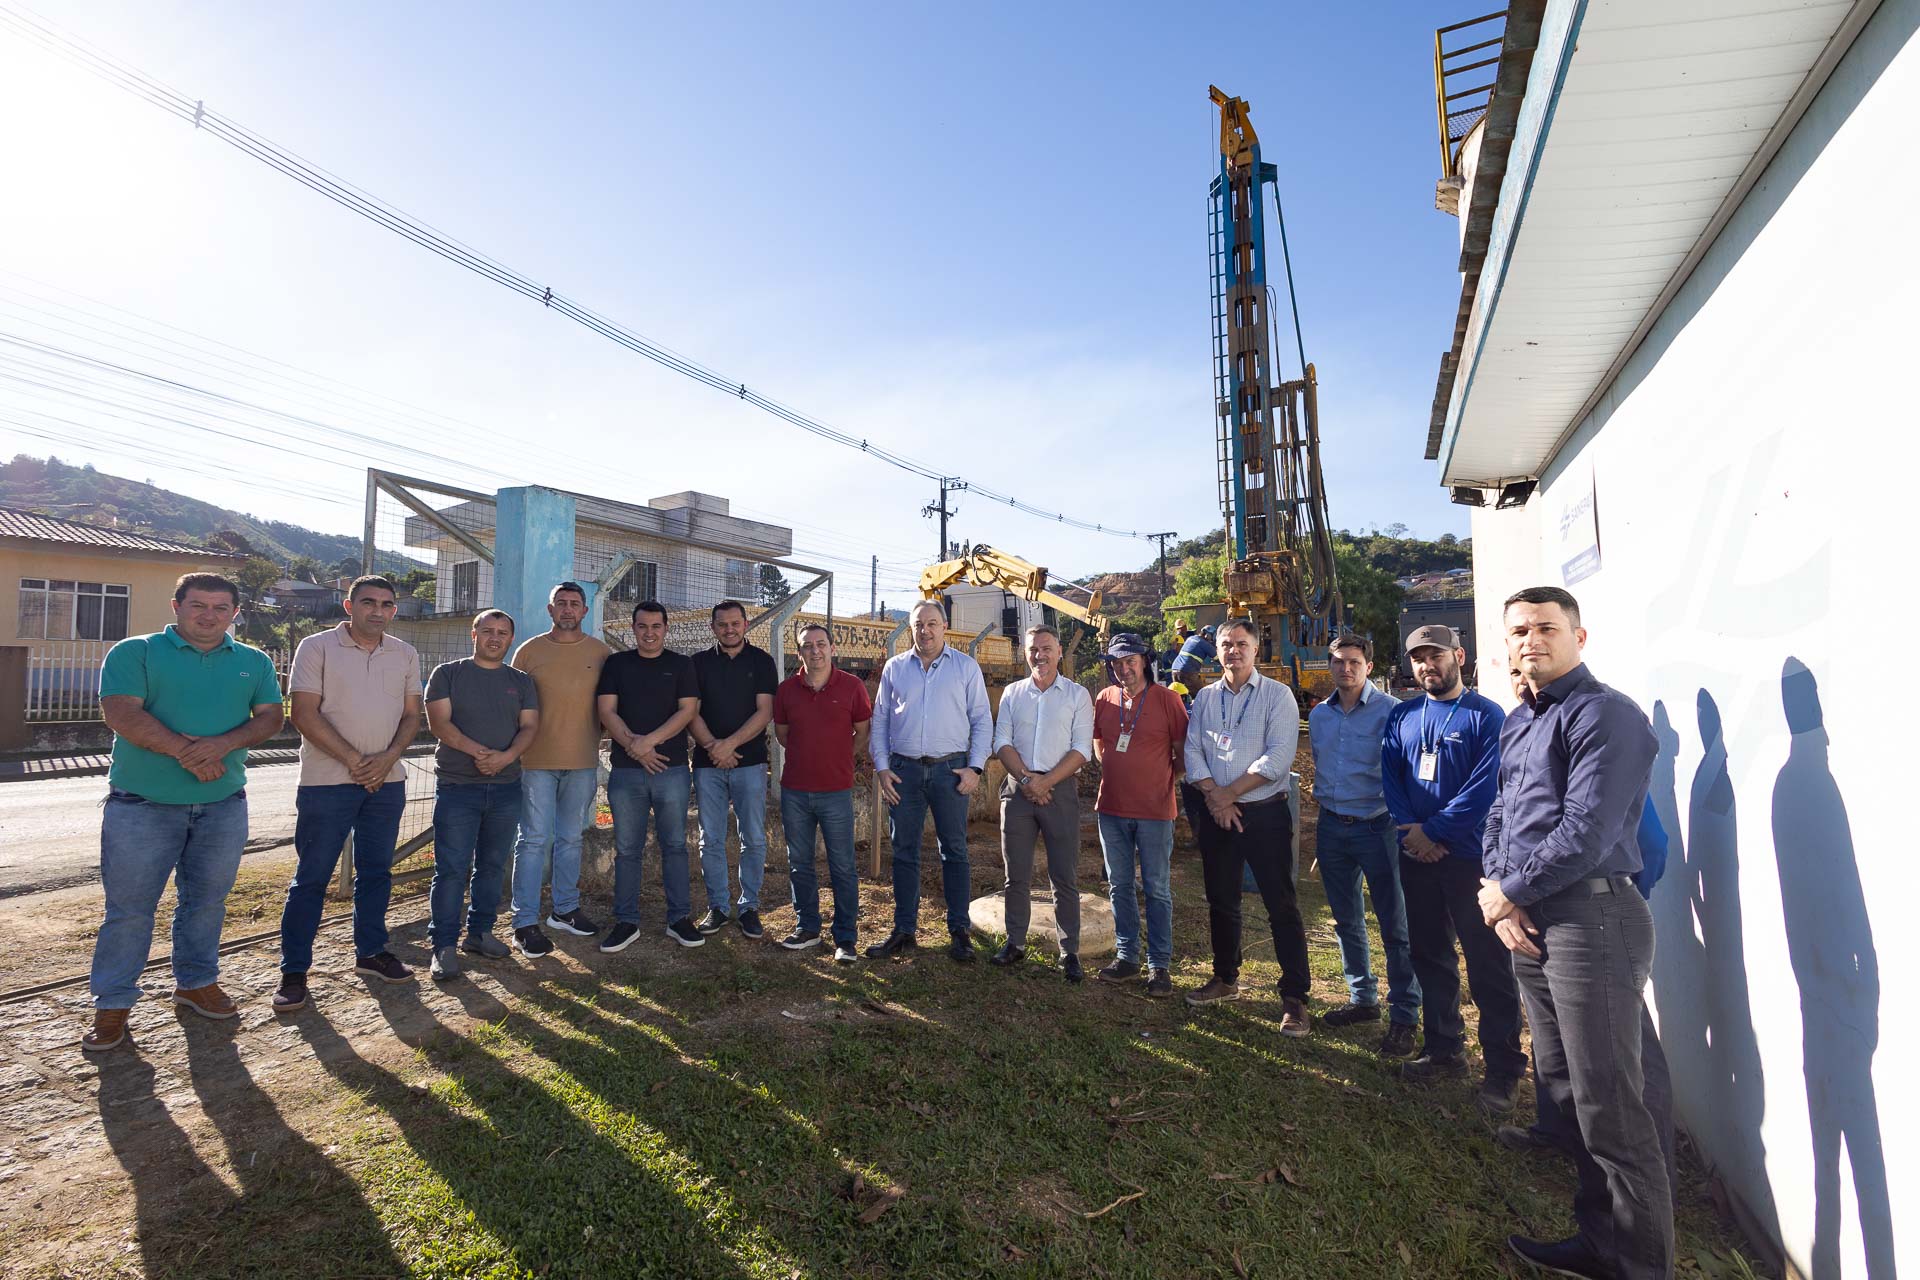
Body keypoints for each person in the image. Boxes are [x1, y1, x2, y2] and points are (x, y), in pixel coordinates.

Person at [1481, 586, 1670, 1280]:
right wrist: (1498, 896)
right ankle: (1600, 1244)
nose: (1530, 639)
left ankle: (1642, 1266)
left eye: (1546, 628)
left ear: (1579, 638)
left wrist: (1509, 891)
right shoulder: (1520, 720)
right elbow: (1502, 813)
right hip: (1531, 922)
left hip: (1594, 922)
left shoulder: (1607, 717)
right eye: (1519, 630)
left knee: (1614, 1109)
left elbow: (1585, 833)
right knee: (1567, 1091)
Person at [84, 572, 283, 1050]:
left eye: (220, 608)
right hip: (142, 807)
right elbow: (122, 713)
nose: (208, 615)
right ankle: (112, 1004)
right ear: (177, 606)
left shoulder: (253, 661)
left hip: (223, 806)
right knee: (130, 912)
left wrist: (222, 745)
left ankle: (195, 982)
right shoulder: (136, 652)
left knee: (207, 903)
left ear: (235, 613)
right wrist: (187, 752)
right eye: (198, 605)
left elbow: (271, 717)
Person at [1382, 624, 1524, 1109]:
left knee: (1487, 965)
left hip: (1470, 860)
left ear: (1459, 656)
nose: (1427, 666)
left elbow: (1486, 788)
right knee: (1430, 955)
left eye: (1436, 655)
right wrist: (1411, 830)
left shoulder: (1487, 715)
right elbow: (1392, 777)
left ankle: (1503, 1069)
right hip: (1417, 857)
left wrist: (1434, 832)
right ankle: (1444, 1048)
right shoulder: (1403, 715)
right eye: (1418, 658)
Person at [274, 575, 424, 1013]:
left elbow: (412, 715)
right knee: (312, 878)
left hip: (387, 782)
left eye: (386, 604)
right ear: (349, 605)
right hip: (327, 783)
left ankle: (372, 952)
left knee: (376, 872)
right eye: (368, 602)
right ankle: (294, 972)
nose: (377, 611)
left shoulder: (405, 653)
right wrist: (358, 761)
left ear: (394, 610)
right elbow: (302, 712)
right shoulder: (316, 647)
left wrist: (387, 759)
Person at [1181, 619, 1312, 1035]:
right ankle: (1225, 979)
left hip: (1264, 814)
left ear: (1256, 650)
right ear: (1216, 651)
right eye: (1225, 644)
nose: (1233, 651)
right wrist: (1214, 796)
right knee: (1221, 900)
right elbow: (1192, 750)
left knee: (1281, 905)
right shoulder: (1204, 697)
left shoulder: (1278, 696)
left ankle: (1295, 997)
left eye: (1241, 644)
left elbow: (1277, 760)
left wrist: (1227, 794)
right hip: (1217, 812)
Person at [1308, 632, 1419, 1055]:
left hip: (1379, 827)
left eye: (1354, 661)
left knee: (1394, 924)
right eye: (1338, 661)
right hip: (1332, 826)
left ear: (1369, 666)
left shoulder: (1394, 712)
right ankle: (1362, 999)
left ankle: (1405, 1014)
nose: (1346, 668)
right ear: (1330, 665)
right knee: (1346, 919)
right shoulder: (1320, 715)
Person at [867, 599, 993, 963]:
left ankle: (959, 931)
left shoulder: (965, 668)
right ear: (912, 628)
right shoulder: (895, 668)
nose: (925, 630)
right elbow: (880, 721)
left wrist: (976, 768)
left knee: (954, 850)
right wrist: (882, 767)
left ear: (945, 626)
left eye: (932, 624)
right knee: (903, 852)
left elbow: (982, 720)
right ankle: (904, 930)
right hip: (903, 773)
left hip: (950, 772)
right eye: (919, 624)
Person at [423, 610, 539, 981]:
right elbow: (439, 723)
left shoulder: (520, 681)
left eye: (503, 632)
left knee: (491, 866)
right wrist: (479, 754)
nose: (495, 637)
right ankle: (442, 945)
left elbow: (530, 726)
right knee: (452, 869)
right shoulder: (448, 674)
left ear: (510, 638)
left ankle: (480, 933)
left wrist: (505, 758)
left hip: (506, 788)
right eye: (487, 631)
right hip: (459, 788)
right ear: (473, 634)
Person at [508, 581, 611, 957]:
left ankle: (565, 910)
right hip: (535, 762)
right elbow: (511, 703)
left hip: (582, 762)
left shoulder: (600, 653)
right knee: (534, 840)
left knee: (571, 839)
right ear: (550, 610)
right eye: (561, 604)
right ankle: (524, 921)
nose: (568, 609)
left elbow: (610, 705)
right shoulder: (528, 651)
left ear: (585, 611)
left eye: (574, 604)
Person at [596, 600, 702, 951]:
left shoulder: (681, 665)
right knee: (627, 849)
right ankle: (626, 922)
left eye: (656, 626)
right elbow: (606, 710)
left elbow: (688, 711)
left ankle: (679, 919)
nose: (649, 633)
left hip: (670, 770)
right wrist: (632, 745)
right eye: (642, 626)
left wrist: (648, 743)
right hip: (626, 774)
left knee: (674, 845)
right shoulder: (616, 664)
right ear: (633, 628)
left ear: (665, 628)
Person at [990, 625, 1094, 980]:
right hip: (1019, 791)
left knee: (1063, 876)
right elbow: (1001, 740)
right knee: (1015, 875)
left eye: (1046, 648)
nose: (1040, 655)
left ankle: (1070, 952)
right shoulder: (1013, 693)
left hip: (1059, 791)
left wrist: (1045, 782)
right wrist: (1026, 780)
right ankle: (1015, 943)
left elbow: (1082, 749)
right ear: (1025, 653)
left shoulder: (1077, 695)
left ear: (1060, 651)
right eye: (1033, 649)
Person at [1091, 632, 1188, 997]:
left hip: (1154, 811)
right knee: (1119, 885)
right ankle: (1127, 955)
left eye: (1130, 661)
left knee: (1157, 888)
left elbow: (1181, 755)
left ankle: (1159, 965)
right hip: (1111, 809)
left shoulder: (1167, 700)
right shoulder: (1104, 698)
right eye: (1117, 663)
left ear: (1144, 661)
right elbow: (1099, 742)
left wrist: (1160, 779)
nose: (1123, 669)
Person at [772, 621, 872, 962]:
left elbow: (862, 732)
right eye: (807, 646)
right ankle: (808, 928)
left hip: (835, 792)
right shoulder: (786, 691)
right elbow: (783, 734)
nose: (815, 650)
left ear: (832, 648)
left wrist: (840, 757)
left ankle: (845, 938)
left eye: (820, 644)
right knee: (799, 863)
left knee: (842, 865)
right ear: (799, 652)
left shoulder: (852, 686)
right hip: (796, 792)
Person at [689, 600, 779, 940]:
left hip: (750, 764)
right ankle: (717, 907)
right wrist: (714, 746)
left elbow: (764, 711)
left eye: (735, 623)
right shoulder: (697, 663)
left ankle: (749, 907)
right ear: (713, 628)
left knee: (753, 838)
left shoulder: (762, 661)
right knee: (709, 839)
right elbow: (690, 711)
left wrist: (730, 746)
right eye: (722, 624)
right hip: (707, 764)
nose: (729, 629)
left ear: (746, 624)